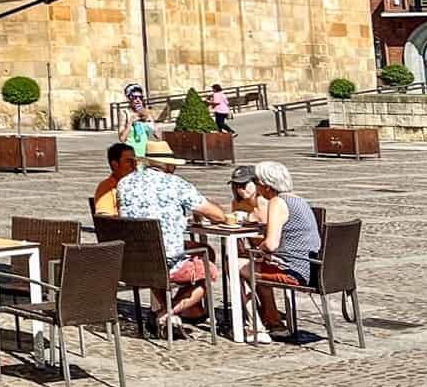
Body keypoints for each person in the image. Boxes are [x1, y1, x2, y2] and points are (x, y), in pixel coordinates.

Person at [114, 137, 229, 335]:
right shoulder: (175, 184)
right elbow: (217, 215)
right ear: (168, 166)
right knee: (208, 270)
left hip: (134, 260)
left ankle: (186, 310)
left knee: (198, 250)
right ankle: (166, 312)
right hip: (165, 261)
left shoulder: (124, 184)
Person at [239, 160, 322, 342]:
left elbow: (271, 244)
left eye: (257, 182)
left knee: (235, 265)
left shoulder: (277, 202)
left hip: (294, 270)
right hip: (313, 267)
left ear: (267, 186)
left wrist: (257, 249)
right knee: (257, 266)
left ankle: (255, 327)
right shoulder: (298, 200)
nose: (256, 187)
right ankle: (271, 318)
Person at [93, 142, 138, 215]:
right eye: (129, 161)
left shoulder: (141, 185)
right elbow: (106, 219)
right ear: (115, 164)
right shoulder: (107, 187)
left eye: (135, 161)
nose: (134, 165)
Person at [118, 84, 158, 158]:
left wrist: (150, 118)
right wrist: (130, 122)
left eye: (140, 97)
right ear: (129, 98)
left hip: (145, 155)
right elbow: (122, 139)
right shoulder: (124, 113)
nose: (138, 100)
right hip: (130, 155)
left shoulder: (146, 114)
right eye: (135, 97)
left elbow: (158, 136)